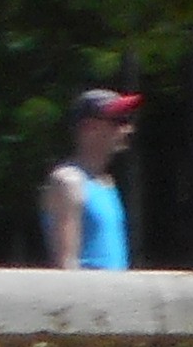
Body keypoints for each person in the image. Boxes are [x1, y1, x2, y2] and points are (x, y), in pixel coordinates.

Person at [39, 85, 140, 270]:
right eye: (119, 121)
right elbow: (66, 264)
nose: (128, 129)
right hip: (88, 296)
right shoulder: (68, 181)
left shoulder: (106, 183)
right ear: (88, 127)